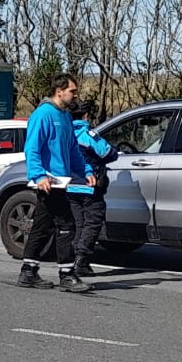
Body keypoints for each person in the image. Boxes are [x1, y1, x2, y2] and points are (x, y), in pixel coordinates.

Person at [16, 74, 95, 293]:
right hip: (49, 182)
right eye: (72, 91)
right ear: (59, 91)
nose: (75, 95)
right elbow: (31, 148)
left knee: (42, 226)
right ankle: (67, 275)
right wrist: (39, 175)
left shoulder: (66, 117)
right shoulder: (43, 115)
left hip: (61, 182)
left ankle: (28, 272)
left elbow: (72, 150)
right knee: (66, 225)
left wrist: (85, 170)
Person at [66, 100, 117, 276]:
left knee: (79, 223)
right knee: (93, 222)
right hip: (89, 186)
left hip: (69, 186)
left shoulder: (66, 134)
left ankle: (75, 260)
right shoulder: (87, 135)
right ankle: (82, 260)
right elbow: (108, 153)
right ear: (86, 116)